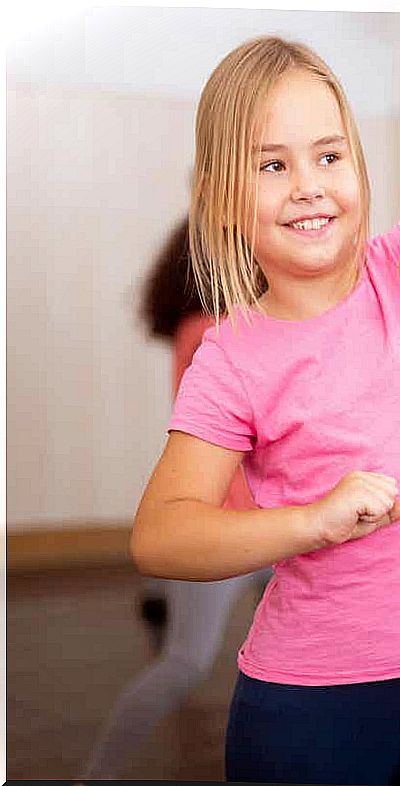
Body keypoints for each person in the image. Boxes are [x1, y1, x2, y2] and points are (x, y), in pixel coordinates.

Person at [130, 35, 400, 784]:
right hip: (317, 708)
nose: (308, 185)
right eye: (272, 165)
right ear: (220, 201)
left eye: (329, 157)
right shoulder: (233, 358)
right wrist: (310, 522)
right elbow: (161, 533)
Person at [81, 220, 271, 780]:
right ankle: (94, 775)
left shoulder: (222, 324)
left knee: (306, 654)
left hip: (271, 525)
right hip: (226, 529)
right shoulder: (212, 330)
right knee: (185, 663)